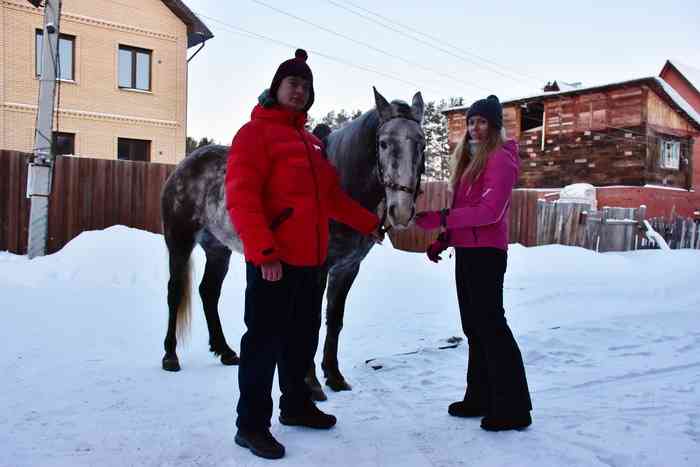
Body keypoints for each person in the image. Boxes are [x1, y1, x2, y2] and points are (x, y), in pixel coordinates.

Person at [225, 49, 381, 460]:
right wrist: (263, 253)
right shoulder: (253, 135)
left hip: (311, 262)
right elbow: (242, 199)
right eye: (292, 83)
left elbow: (331, 197)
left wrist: (369, 223)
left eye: (306, 86)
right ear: (276, 89)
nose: (299, 90)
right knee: (263, 343)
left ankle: (295, 406)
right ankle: (251, 425)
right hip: (274, 262)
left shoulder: (313, 145)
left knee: (300, 340)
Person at [415, 95, 533, 431]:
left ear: (494, 126)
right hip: (468, 252)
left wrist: (441, 218)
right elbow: (466, 213)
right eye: (470, 122)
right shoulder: (470, 161)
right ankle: (480, 397)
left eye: (481, 122)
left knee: (492, 327)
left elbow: (489, 212)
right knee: (474, 328)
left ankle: (513, 408)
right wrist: (444, 239)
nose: (474, 128)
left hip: (488, 254)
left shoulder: (500, 160)